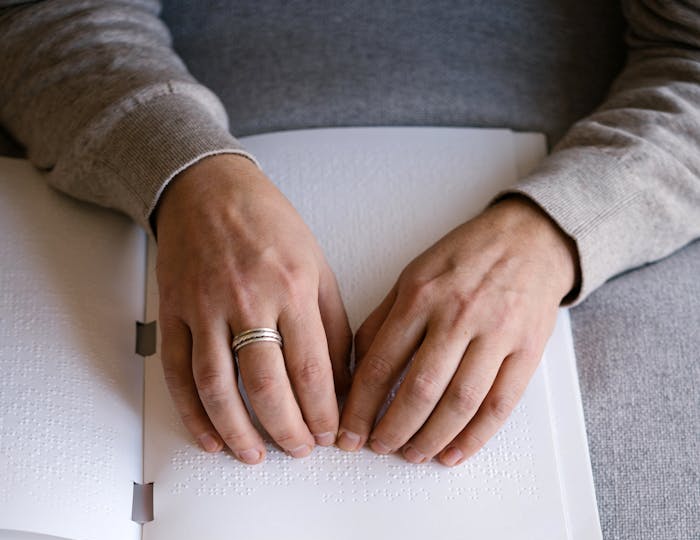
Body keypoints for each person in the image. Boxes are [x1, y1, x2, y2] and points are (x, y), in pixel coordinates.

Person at [0, 0, 698, 468]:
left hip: (611, 184)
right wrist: (185, 174)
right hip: (134, 161)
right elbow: (46, 16)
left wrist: (558, 231)